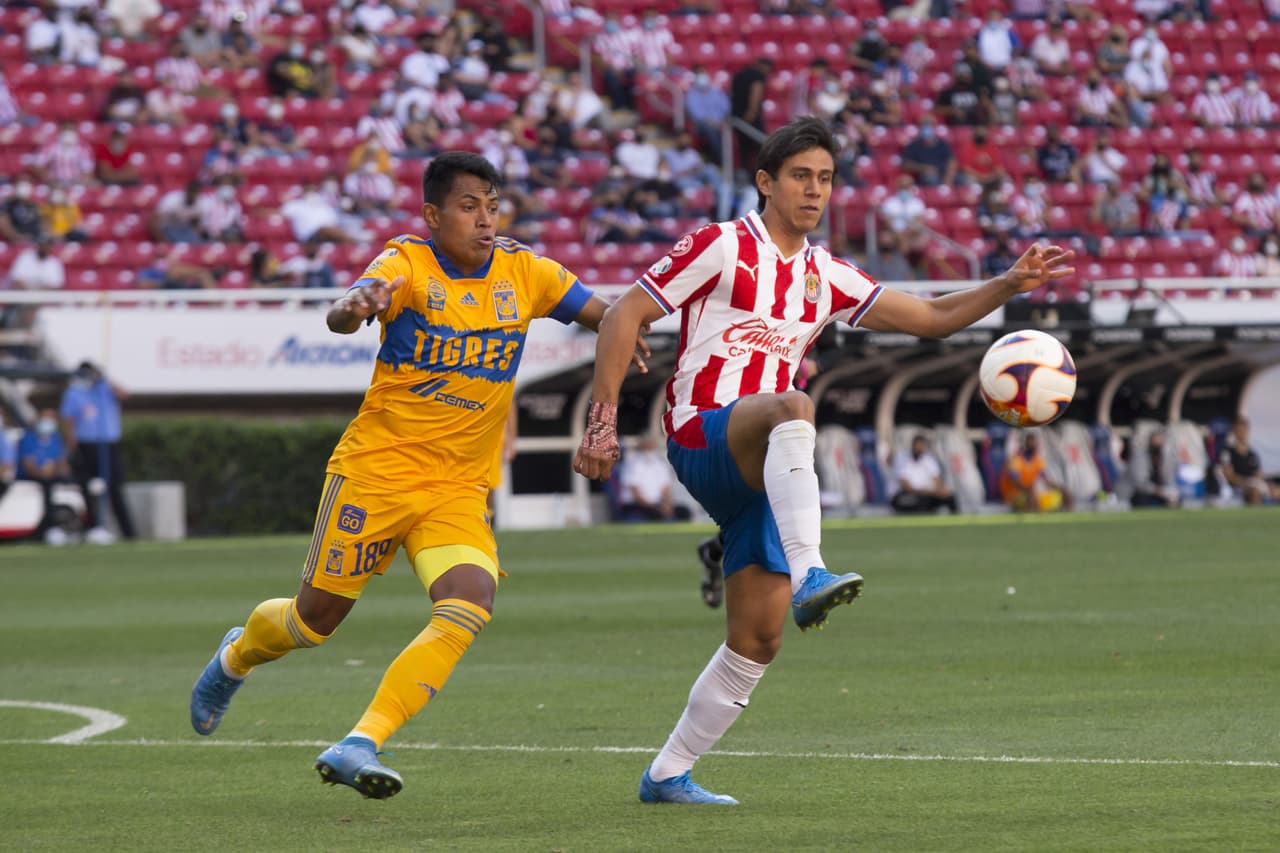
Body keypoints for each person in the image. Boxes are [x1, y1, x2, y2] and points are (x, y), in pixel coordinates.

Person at [572, 117, 1073, 805]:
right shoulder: (721, 247)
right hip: (699, 431)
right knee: (795, 404)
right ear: (765, 182)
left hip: (762, 469)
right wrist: (601, 425)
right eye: (801, 176)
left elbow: (929, 318)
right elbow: (623, 314)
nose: (815, 190)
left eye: (826, 178)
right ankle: (812, 570)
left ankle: (666, 774)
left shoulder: (825, 272)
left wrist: (1007, 284)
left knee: (758, 637)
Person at [188, 151, 649, 800]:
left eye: (492, 205)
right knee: (313, 623)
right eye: (468, 206)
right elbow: (345, 312)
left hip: (457, 487)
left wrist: (632, 328)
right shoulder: (405, 263)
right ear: (433, 215)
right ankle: (236, 654)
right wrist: (356, 305)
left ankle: (360, 740)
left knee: (469, 601)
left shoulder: (527, 271)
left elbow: (611, 313)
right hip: (376, 474)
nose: (485, 219)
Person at [60, 362, 137, 543]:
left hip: (108, 444)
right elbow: (69, 421)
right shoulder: (74, 392)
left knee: (115, 489)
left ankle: (129, 532)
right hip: (87, 446)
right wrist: (73, 447)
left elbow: (124, 394)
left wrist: (104, 379)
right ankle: (93, 528)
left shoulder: (104, 389)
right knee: (88, 488)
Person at [17, 408, 72, 544]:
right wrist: (44, 473)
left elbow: (62, 463)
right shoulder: (28, 438)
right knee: (47, 486)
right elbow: (28, 465)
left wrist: (56, 470)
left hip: (51, 476)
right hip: (32, 476)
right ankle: (49, 529)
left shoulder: (55, 439)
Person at [615, 434, 686, 522]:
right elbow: (635, 492)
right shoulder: (632, 464)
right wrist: (653, 506)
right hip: (638, 504)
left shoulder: (660, 464)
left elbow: (666, 488)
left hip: (657, 503)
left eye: (652, 446)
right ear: (641, 447)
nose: (650, 450)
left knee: (684, 511)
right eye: (647, 447)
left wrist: (668, 504)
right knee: (656, 514)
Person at [1000, 432, 1069, 512]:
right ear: (1025, 444)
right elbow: (1015, 481)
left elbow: (1046, 480)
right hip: (1013, 494)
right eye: (1031, 443)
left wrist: (1061, 489)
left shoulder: (1037, 460)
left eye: (1035, 443)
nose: (1034, 445)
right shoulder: (1016, 459)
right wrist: (1028, 489)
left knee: (1059, 496)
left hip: (1029, 492)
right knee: (1032, 497)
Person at [1218, 416, 1279, 505]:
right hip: (1237, 487)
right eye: (1239, 430)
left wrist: (1266, 485)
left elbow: (1258, 475)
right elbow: (1229, 475)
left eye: (1244, 430)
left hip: (1253, 484)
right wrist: (1246, 483)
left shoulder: (1252, 454)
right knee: (1255, 492)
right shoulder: (1227, 452)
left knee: (1276, 490)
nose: (1242, 433)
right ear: (1234, 431)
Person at [890, 434, 957, 513]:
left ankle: (954, 522)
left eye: (922, 446)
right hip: (902, 496)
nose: (920, 448)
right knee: (922, 501)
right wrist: (931, 492)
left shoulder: (928, 459)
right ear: (913, 445)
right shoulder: (902, 458)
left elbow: (938, 480)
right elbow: (906, 487)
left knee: (950, 497)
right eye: (918, 445)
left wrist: (940, 491)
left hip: (927, 494)